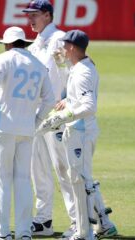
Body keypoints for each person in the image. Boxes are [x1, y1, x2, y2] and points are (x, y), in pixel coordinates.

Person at [37, 30, 118, 240]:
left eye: (65, 46)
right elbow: (77, 95)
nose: (62, 49)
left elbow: (89, 106)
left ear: (72, 47)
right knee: (81, 179)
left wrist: (62, 116)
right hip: (79, 130)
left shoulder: (82, 72)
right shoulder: (80, 66)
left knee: (79, 181)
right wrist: (68, 102)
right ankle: (98, 225)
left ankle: (84, 233)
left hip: (80, 131)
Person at [0, 26, 55, 240]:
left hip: (4, 127)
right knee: (23, 180)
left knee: (3, 181)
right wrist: (36, 120)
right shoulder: (38, 65)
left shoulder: (5, 58)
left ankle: (3, 233)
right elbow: (50, 99)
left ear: (8, 44)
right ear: (24, 43)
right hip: (27, 129)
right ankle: (23, 232)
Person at [22, 0, 75, 236]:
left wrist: (67, 102)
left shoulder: (60, 39)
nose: (30, 19)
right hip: (36, 116)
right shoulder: (35, 45)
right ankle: (44, 221)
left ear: (47, 15)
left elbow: (74, 72)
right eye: (28, 15)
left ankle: (78, 221)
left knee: (64, 169)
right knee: (38, 170)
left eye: (34, 14)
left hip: (56, 116)